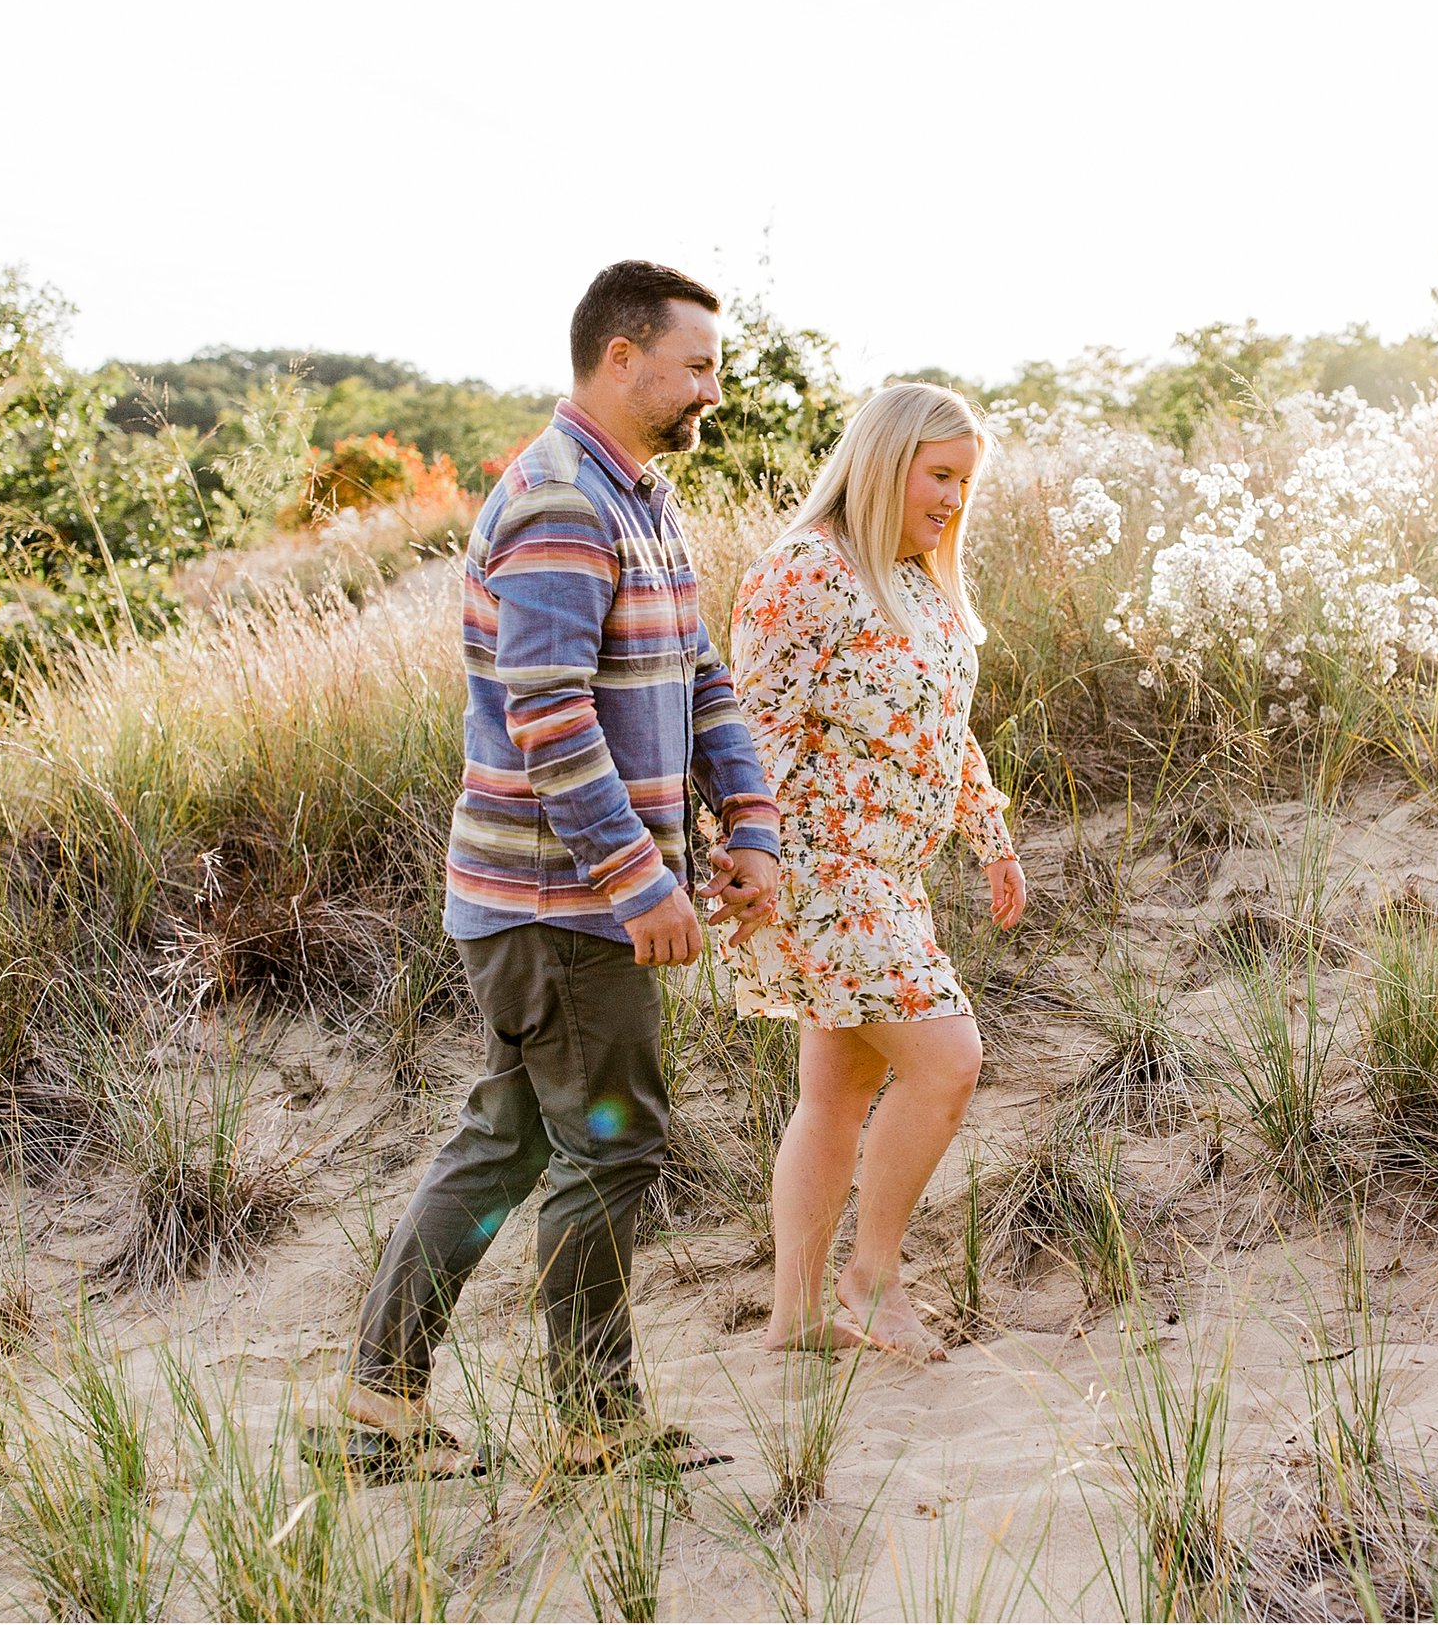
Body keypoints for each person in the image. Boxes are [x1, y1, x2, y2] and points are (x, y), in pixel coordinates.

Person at [340, 263, 782, 1474]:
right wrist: (643, 883)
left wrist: (748, 824)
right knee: (611, 1144)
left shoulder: (639, 496)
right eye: (697, 366)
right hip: (557, 904)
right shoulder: (557, 503)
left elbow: (702, 680)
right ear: (622, 355)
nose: (711, 390)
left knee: (506, 1140)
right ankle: (591, 1425)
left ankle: (378, 1405)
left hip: (563, 899)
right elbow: (547, 717)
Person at [726, 386, 1029, 1361]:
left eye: (964, 481)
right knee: (948, 1060)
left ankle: (797, 1316)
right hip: (818, 875)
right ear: (882, 459)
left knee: (836, 1096)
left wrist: (992, 834)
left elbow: (947, 726)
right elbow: (744, 730)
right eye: (938, 474)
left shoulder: (923, 581)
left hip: (890, 877)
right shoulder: (805, 573)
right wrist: (739, 862)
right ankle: (871, 1277)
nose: (952, 498)